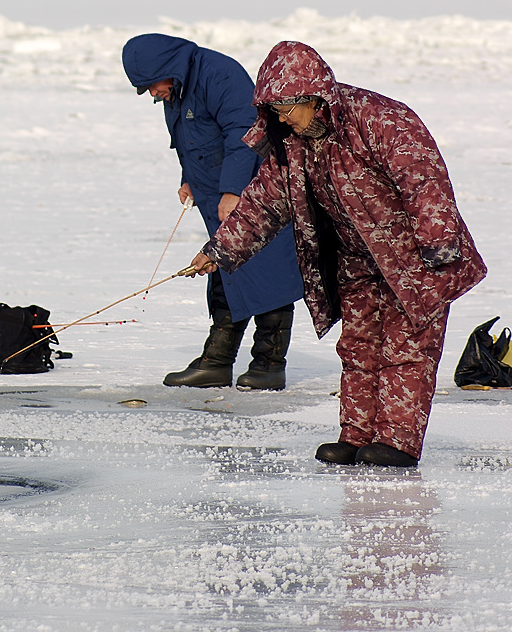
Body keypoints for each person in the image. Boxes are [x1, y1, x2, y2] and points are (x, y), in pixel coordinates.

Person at [190, 41, 486, 466]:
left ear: (314, 94)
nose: (283, 119)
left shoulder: (382, 120)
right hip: (355, 259)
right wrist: (219, 250)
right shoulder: (292, 141)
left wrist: (437, 245)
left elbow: (425, 183)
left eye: (288, 109)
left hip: (414, 259)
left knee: (405, 349)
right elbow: (264, 201)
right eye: (274, 111)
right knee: (359, 347)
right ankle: (356, 435)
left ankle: (397, 441)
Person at [123, 34, 304, 391]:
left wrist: (233, 190)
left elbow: (244, 133)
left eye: (149, 87)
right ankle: (218, 362)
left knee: (268, 274)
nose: (151, 95)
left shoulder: (219, 75)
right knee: (224, 272)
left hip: (254, 192)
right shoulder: (175, 86)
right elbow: (191, 138)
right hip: (214, 196)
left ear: (165, 70)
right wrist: (188, 178)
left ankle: (269, 365)